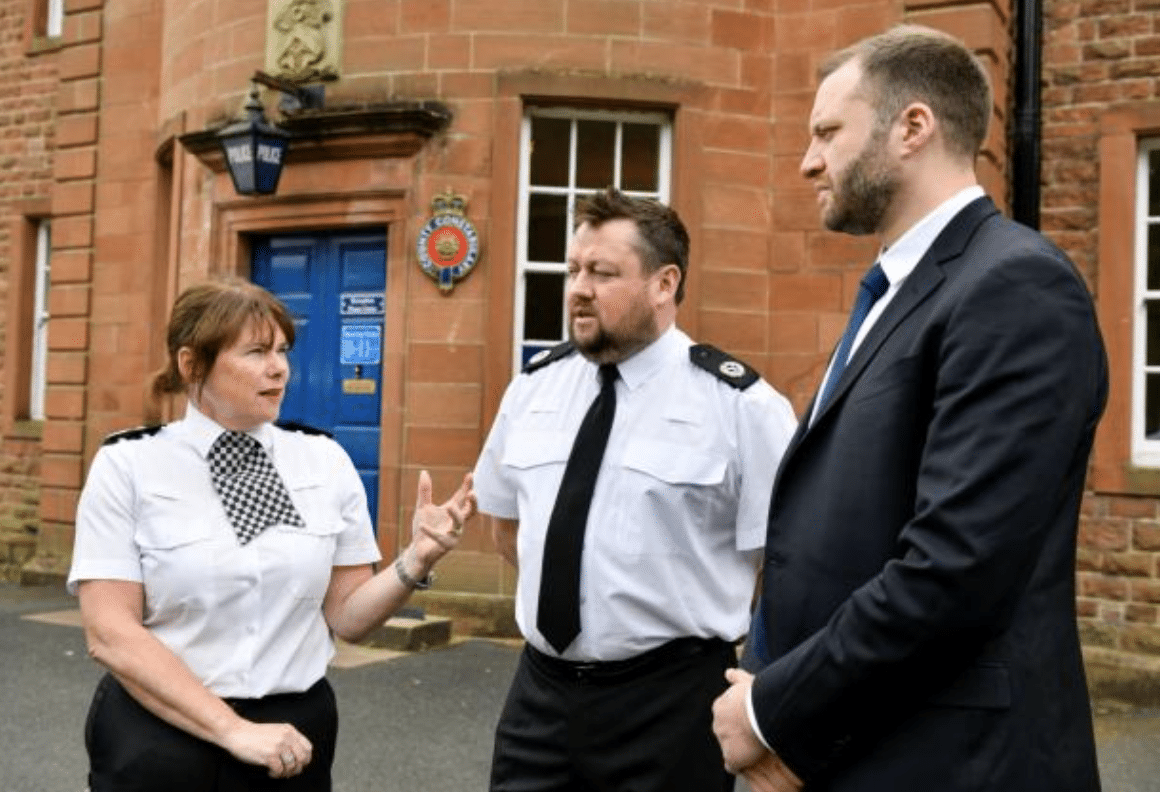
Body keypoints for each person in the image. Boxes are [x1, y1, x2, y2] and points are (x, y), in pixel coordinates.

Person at [712, 24, 1108, 792]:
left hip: (947, 762)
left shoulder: (1015, 286)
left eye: (828, 131)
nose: (807, 161)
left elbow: (955, 570)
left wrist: (775, 712)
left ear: (912, 127)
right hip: (854, 747)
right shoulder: (901, 291)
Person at [67, 277, 475, 791]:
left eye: (282, 351)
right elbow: (110, 633)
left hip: (291, 740)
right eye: (257, 352)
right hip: (160, 735)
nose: (279, 367)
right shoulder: (129, 464)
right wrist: (232, 730)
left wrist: (416, 561)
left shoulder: (324, 460)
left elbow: (347, 617)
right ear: (192, 365)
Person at [473, 187, 798, 792]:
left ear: (664, 283)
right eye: (573, 270)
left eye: (603, 273)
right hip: (540, 698)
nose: (579, 288)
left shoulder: (740, 406)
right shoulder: (534, 388)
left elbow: (785, 564)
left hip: (670, 704)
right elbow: (507, 529)